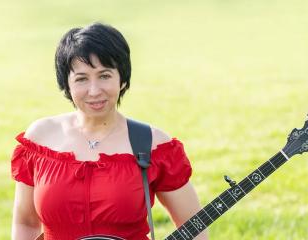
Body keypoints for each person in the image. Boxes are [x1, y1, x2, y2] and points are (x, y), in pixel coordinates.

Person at [11, 22, 209, 240]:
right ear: (66, 84)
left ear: (122, 79)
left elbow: (195, 226)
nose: (94, 91)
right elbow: (26, 223)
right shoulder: (40, 138)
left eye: (104, 75)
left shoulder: (152, 144)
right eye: (82, 79)